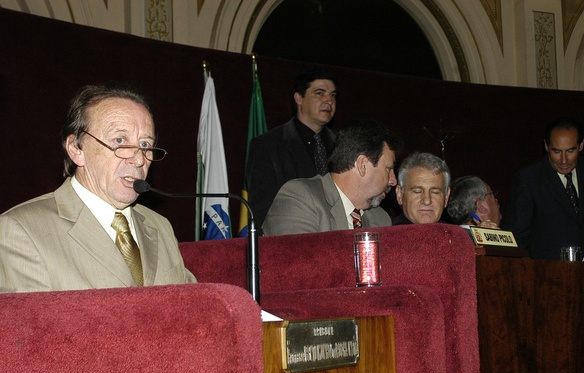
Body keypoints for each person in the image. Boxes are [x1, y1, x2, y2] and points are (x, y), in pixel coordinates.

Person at [0, 83, 196, 292]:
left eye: (145, 145)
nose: (139, 159)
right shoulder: (21, 230)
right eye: (120, 140)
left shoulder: (160, 226)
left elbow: (192, 303)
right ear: (76, 149)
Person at [501, 117, 584, 261]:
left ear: (581, 145)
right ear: (546, 146)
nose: (563, 160)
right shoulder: (528, 179)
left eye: (570, 151)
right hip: (546, 269)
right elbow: (517, 237)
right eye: (556, 151)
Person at [261, 120, 401, 235]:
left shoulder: (381, 219)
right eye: (388, 169)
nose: (393, 181)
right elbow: (297, 260)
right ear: (362, 165)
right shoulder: (299, 199)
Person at [244, 68, 338, 228]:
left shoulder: (342, 144)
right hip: (290, 234)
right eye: (320, 93)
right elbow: (260, 210)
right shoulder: (268, 145)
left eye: (333, 95)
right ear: (299, 98)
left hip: (338, 234)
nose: (329, 101)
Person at [392, 152, 450, 225]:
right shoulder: (385, 231)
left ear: (446, 197)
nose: (427, 201)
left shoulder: (455, 232)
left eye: (435, 192)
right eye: (417, 191)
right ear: (399, 195)